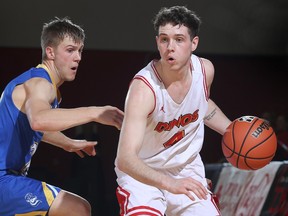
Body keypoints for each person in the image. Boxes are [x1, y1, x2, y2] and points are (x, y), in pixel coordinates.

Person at [0, 17, 124, 216]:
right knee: (78, 208)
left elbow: (32, 127)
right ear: (50, 52)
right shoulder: (40, 84)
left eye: (80, 51)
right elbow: (39, 120)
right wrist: (95, 113)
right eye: (70, 50)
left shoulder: (38, 84)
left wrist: (67, 142)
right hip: (3, 179)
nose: (78, 58)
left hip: (8, 179)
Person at [115, 6, 231, 216]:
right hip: (142, 172)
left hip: (185, 169)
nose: (170, 47)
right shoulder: (143, 89)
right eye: (164, 39)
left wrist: (231, 131)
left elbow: (200, 104)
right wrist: (170, 184)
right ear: (157, 42)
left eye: (179, 39)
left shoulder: (205, 71)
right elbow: (125, 159)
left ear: (194, 43)